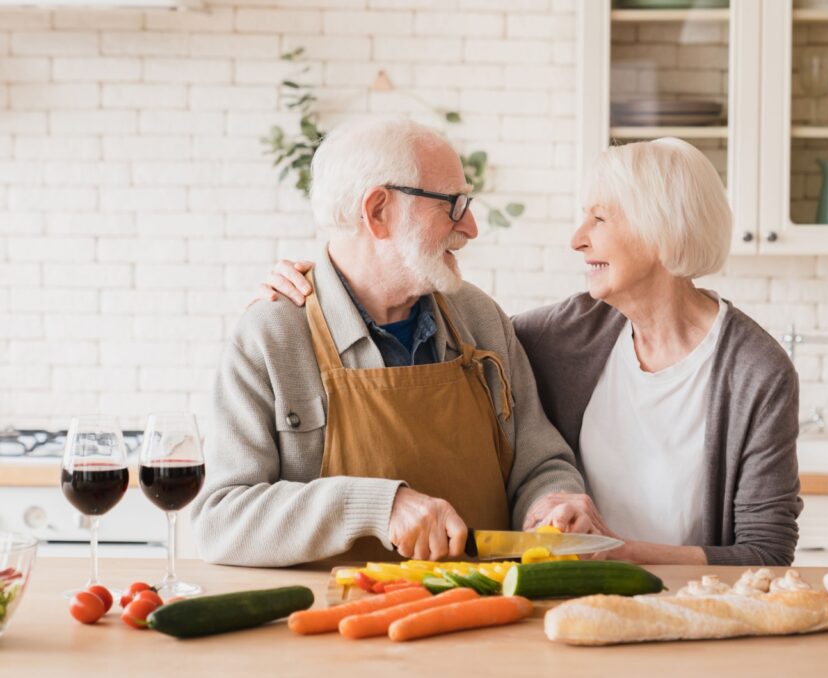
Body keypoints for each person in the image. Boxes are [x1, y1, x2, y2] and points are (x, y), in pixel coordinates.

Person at [258, 137, 803, 567]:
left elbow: (767, 553)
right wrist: (328, 283)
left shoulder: (756, 372)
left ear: (663, 229)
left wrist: (621, 551)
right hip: (572, 604)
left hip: (696, 611)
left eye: (600, 219)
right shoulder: (565, 333)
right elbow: (447, 345)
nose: (577, 239)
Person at [193, 118, 587, 568]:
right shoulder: (272, 336)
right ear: (378, 211)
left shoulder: (481, 320)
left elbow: (539, 465)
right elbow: (220, 521)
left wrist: (553, 503)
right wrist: (378, 506)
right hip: (331, 629)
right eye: (453, 205)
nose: (472, 227)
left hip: (485, 621)